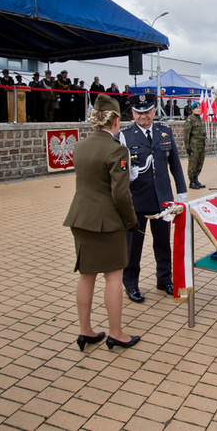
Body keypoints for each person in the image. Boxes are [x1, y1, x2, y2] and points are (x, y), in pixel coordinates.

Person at [63, 94, 141, 351]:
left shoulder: (80, 146)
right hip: (107, 222)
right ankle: (116, 333)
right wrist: (131, 220)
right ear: (116, 121)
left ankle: (85, 330)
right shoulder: (117, 150)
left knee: (86, 275)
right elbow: (120, 193)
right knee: (113, 277)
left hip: (80, 217)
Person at [118, 93, 187, 302]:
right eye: (138, 113)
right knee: (133, 246)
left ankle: (164, 279)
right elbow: (119, 168)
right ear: (132, 113)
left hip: (162, 200)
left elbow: (174, 163)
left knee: (163, 243)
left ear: (154, 111)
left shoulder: (164, 132)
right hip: (136, 199)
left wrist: (181, 192)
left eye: (147, 112)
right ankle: (131, 284)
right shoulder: (125, 136)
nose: (143, 117)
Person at [184, 102, 207, 189]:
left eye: (200, 108)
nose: (199, 109)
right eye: (197, 108)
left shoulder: (200, 119)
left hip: (201, 145)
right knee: (193, 163)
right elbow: (186, 134)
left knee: (199, 163)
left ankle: (196, 179)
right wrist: (187, 147)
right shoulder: (190, 119)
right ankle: (191, 182)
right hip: (194, 145)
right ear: (193, 110)